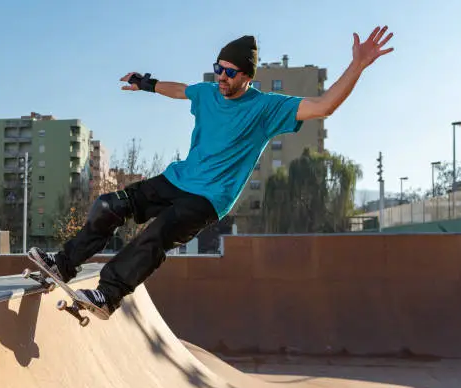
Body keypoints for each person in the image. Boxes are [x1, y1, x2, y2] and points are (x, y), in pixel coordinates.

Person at [28, 26, 394, 320]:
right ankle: (63, 264)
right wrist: (147, 84)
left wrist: (358, 66)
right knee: (108, 205)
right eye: (218, 68)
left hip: (208, 199)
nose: (221, 76)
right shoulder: (208, 91)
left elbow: (323, 106)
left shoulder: (267, 108)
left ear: (247, 76)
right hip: (177, 178)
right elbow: (180, 91)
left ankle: (108, 294)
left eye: (229, 72)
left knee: (155, 235)